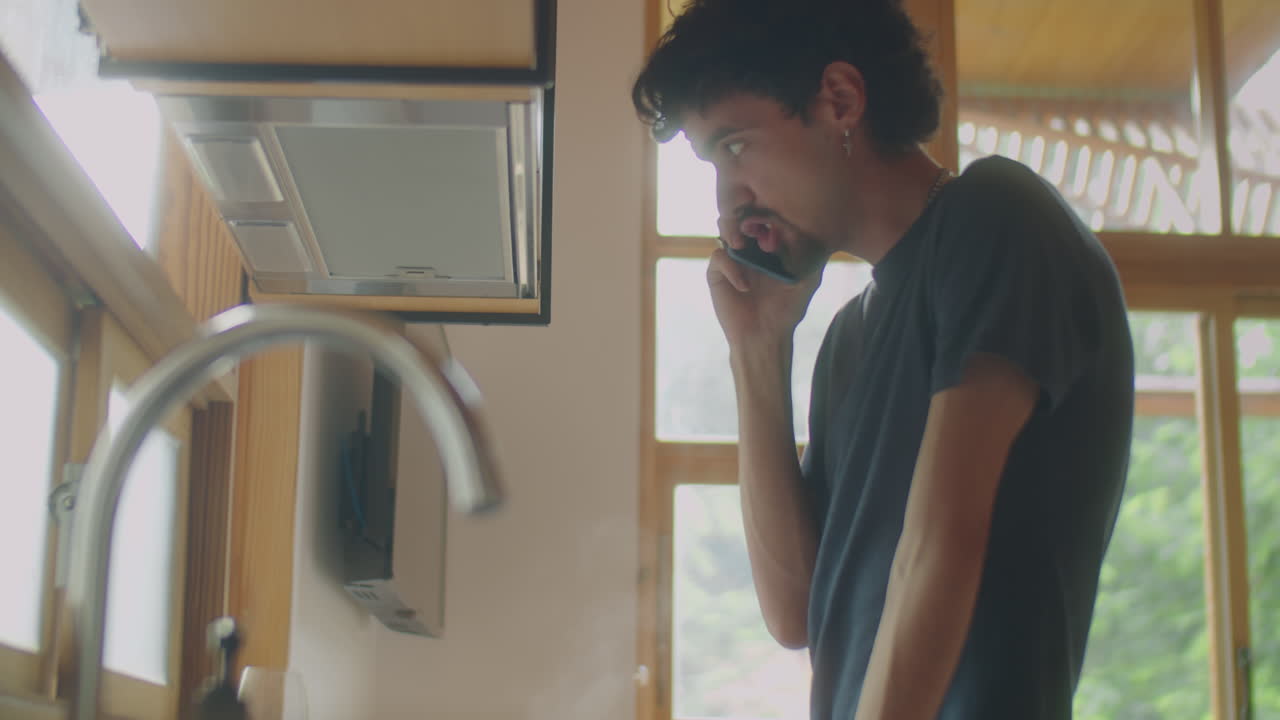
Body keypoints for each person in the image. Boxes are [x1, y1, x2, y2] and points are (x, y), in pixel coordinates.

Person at [631, 1, 1135, 718]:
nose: (728, 201)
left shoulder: (996, 218)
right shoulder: (849, 337)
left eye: (735, 147)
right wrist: (758, 352)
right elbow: (797, 613)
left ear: (841, 100)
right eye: (712, 164)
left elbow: (942, 545)